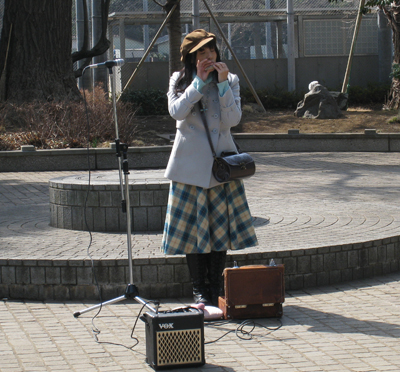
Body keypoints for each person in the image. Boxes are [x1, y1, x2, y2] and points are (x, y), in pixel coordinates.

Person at [161, 29, 258, 306]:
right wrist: (198, 85)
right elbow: (177, 112)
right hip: (189, 168)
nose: (208, 56)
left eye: (211, 50)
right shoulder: (179, 80)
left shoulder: (231, 80)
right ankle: (199, 289)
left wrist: (224, 84)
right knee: (193, 231)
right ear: (191, 57)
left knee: (219, 230)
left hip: (220, 169)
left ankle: (217, 286)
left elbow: (233, 119)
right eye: (201, 52)